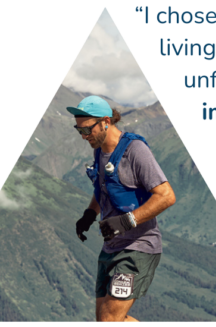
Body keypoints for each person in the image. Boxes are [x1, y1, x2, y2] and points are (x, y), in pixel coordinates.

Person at [70, 95, 176, 323]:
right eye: (79, 130)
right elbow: (104, 188)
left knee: (110, 320)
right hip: (111, 248)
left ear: (106, 121)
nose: (84, 136)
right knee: (106, 321)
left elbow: (166, 196)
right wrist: (89, 214)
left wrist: (125, 221)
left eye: (87, 130)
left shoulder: (135, 151)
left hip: (138, 248)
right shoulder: (99, 151)